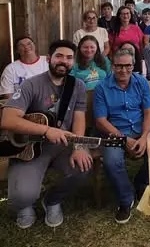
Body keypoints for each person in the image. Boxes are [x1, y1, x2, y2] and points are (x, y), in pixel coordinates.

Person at [1, 40, 92, 229]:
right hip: (30, 148)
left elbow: (79, 118)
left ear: (73, 62)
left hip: (61, 145)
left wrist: (79, 146)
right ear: (49, 59)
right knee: (22, 196)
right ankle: (25, 205)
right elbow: (8, 120)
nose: (64, 61)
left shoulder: (78, 86)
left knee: (83, 166)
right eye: (59, 56)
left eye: (69, 58)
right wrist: (47, 130)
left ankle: (52, 200)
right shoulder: (31, 84)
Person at [94, 49, 150, 224]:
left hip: (140, 130)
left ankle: (141, 182)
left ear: (133, 66)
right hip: (114, 133)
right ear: (112, 66)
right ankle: (126, 198)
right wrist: (124, 139)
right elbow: (100, 121)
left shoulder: (142, 82)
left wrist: (144, 137)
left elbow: (149, 112)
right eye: (119, 66)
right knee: (112, 161)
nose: (123, 70)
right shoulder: (102, 88)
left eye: (128, 66)